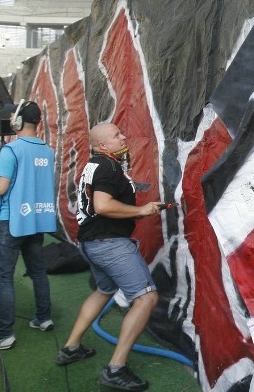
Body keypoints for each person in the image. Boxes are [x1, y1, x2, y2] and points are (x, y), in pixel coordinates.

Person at [57, 123, 164, 392]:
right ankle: (116, 370)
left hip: (91, 242)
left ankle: (71, 348)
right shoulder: (108, 166)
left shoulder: (95, 164)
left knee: (104, 290)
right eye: (117, 135)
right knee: (146, 297)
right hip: (109, 244)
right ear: (103, 145)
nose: (124, 136)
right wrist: (140, 211)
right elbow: (103, 205)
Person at [0, 100, 57, 351]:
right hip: (36, 222)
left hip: (12, 221)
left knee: (3, 278)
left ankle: (3, 334)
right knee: (38, 271)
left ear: (17, 121)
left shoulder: (11, 150)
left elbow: (0, 187)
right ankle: (43, 318)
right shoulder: (47, 151)